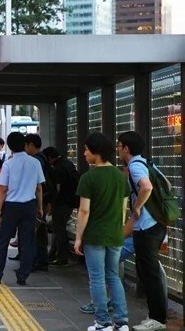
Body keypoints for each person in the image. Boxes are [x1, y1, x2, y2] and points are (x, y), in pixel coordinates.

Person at [74, 132, 129, 331]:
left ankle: (103, 322)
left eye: (87, 149)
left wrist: (78, 237)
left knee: (97, 278)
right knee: (113, 276)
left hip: (95, 235)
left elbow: (84, 210)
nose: (84, 153)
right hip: (115, 234)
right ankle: (121, 322)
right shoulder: (120, 177)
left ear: (96, 152)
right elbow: (123, 210)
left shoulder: (88, 178)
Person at [117, 131, 168, 331]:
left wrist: (137, 206)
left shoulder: (136, 166)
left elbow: (146, 187)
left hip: (147, 227)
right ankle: (155, 316)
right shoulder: (148, 163)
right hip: (155, 224)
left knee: (150, 273)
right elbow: (166, 185)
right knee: (148, 271)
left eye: (119, 145)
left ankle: (157, 319)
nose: (118, 149)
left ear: (126, 148)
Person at [0, 132, 44, 286]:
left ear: (9, 146)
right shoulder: (35, 163)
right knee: (27, 242)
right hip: (29, 206)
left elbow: (3, 189)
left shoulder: (8, 164)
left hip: (11, 206)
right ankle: (22, 276)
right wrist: (40, 208)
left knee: (3, 241)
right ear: (25, 144)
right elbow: (39, 188)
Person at [43, 146, 79, 267]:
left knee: (59, 230)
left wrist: (50, 202)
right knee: (59, 228)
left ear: (49, 158)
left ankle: (62, 258)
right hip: (71, 201)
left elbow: (56, 188)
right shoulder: (67, 163)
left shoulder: (57, 168)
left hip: (62, 202)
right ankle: (54, 255)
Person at [24, 133, 53, 272]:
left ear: (30, 145)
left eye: (26, 145)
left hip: (37, 200)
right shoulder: (43, 159)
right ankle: (41, 261)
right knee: (40, 232)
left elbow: (38, 185)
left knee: (35, 233)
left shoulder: (36, 161)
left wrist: (40, 205)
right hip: (43, 199)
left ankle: (37, 261)